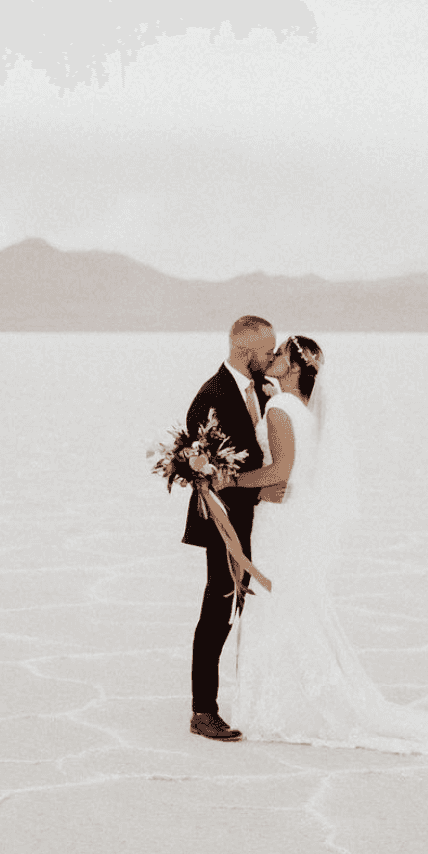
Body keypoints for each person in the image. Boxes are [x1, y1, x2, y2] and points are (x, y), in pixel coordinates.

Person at [229, 335, 428, 755]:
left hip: (278, 519)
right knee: (293, 602)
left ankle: (277, 704)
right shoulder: (305, 410)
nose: (272, 357)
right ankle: (287, 695)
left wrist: (228, 480)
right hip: (295, 518)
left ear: (294, 366)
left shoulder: (280, 408)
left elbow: (281, 470)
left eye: (280, 354)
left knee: (275, 601)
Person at [182, 315, 282, 741]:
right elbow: (204, 473)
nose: (272, 357)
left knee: (244, 611)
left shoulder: (261, 388)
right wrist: (257, 488)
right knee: (218, 611)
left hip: (262, 521)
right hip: (225, 523)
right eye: (267, 351)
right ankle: (203, 710)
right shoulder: (211, 396)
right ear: (245, 351)